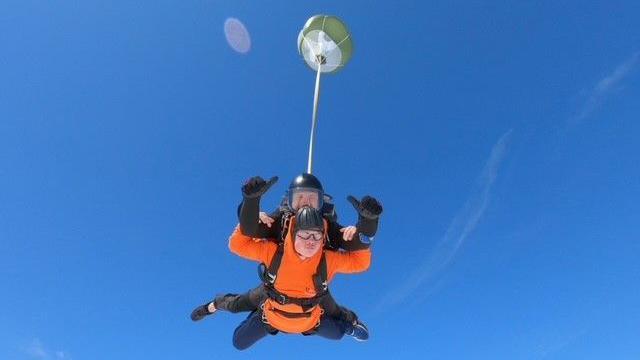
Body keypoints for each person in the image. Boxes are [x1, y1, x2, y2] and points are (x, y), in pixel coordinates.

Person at [192, 206, 373, 350]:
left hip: (309, 319)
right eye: (304, 234)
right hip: (270, 310)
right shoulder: (274, 251)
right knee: (237, 329)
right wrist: (249, 222)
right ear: (293, 233)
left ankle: (351, 324)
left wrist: (360, 237)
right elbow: (237, 245)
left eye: (317, 236)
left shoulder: (327, 259)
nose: (311, 241)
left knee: (338, 333)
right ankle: (213, 305)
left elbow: (360, 263)